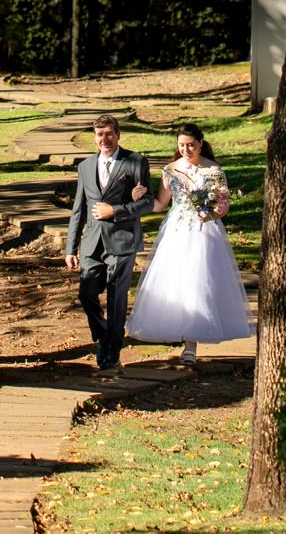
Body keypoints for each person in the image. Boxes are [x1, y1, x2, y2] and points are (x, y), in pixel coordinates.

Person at [127, 122, 253, 365]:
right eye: (182, 145)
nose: (186, 149)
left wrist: (209, 213)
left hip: (204, 231)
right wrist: (137, 199)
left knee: (199, 282)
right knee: (177, 281)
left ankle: (191, 346)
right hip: (176, 231)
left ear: (200, 144)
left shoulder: (213, 169)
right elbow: (160, 204)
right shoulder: (170, 170)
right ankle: (181, 331)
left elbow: (223, 206)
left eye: (191, 145)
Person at [64, 112, 154, 371]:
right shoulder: (84, 167)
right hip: (92, 243)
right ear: (94, 138)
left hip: (122, 241)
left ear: (118, 135)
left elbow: (147, 203)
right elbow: (78, 209)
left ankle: (111, 353)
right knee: (86, 293)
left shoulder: (136, 162)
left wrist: (116, 210)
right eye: (99, 135)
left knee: (116, 297)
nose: (105, 139)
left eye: (109, 134)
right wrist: (71, 247)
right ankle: (103, 336)